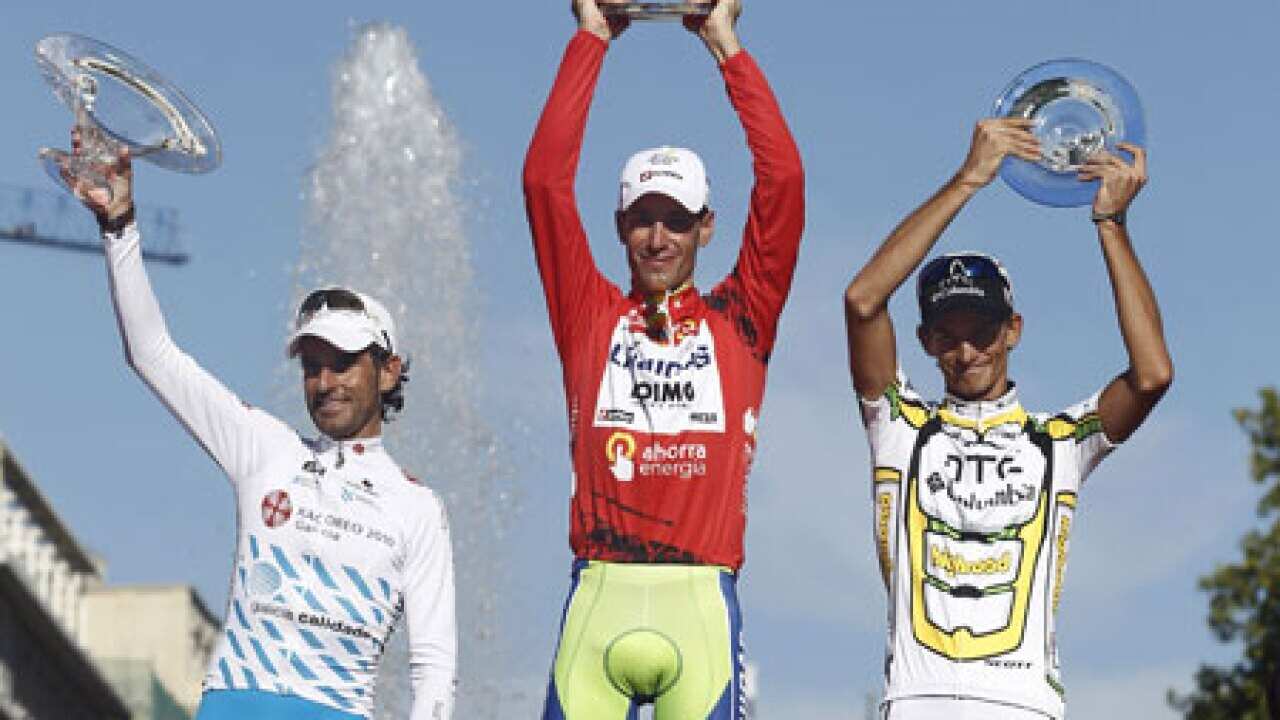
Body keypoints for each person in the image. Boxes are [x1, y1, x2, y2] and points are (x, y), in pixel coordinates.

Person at [67, 135, 456, 720]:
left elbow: (433, 668)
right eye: (312, 365)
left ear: (389, 370)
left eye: (344, 363)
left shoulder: (417, 507)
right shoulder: (264, 449)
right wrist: (119, 225)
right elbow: (152, 354)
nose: (325, 382)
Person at [522, 0, 804, 717]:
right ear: (620, 224)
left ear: (707, 227)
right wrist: (591, 38)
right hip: (597, 591)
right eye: (643, 218)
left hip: (700, 601)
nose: (658, 237)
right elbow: (543, 185)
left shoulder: (741, 318)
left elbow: (784, 186)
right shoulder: (589, 314)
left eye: (676, 219)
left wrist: (724, 44)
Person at [843, 118, 1173, 719]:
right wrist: (968, 180)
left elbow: (1151, 375)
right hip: (917, 701)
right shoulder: (899, 423)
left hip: (1023, 705)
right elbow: (863, 300)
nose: (966, 352)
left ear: (1012, 331)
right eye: (948, 337)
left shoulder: (1059, 442)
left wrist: (1111, 225)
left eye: (982, 333)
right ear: (924, 340)